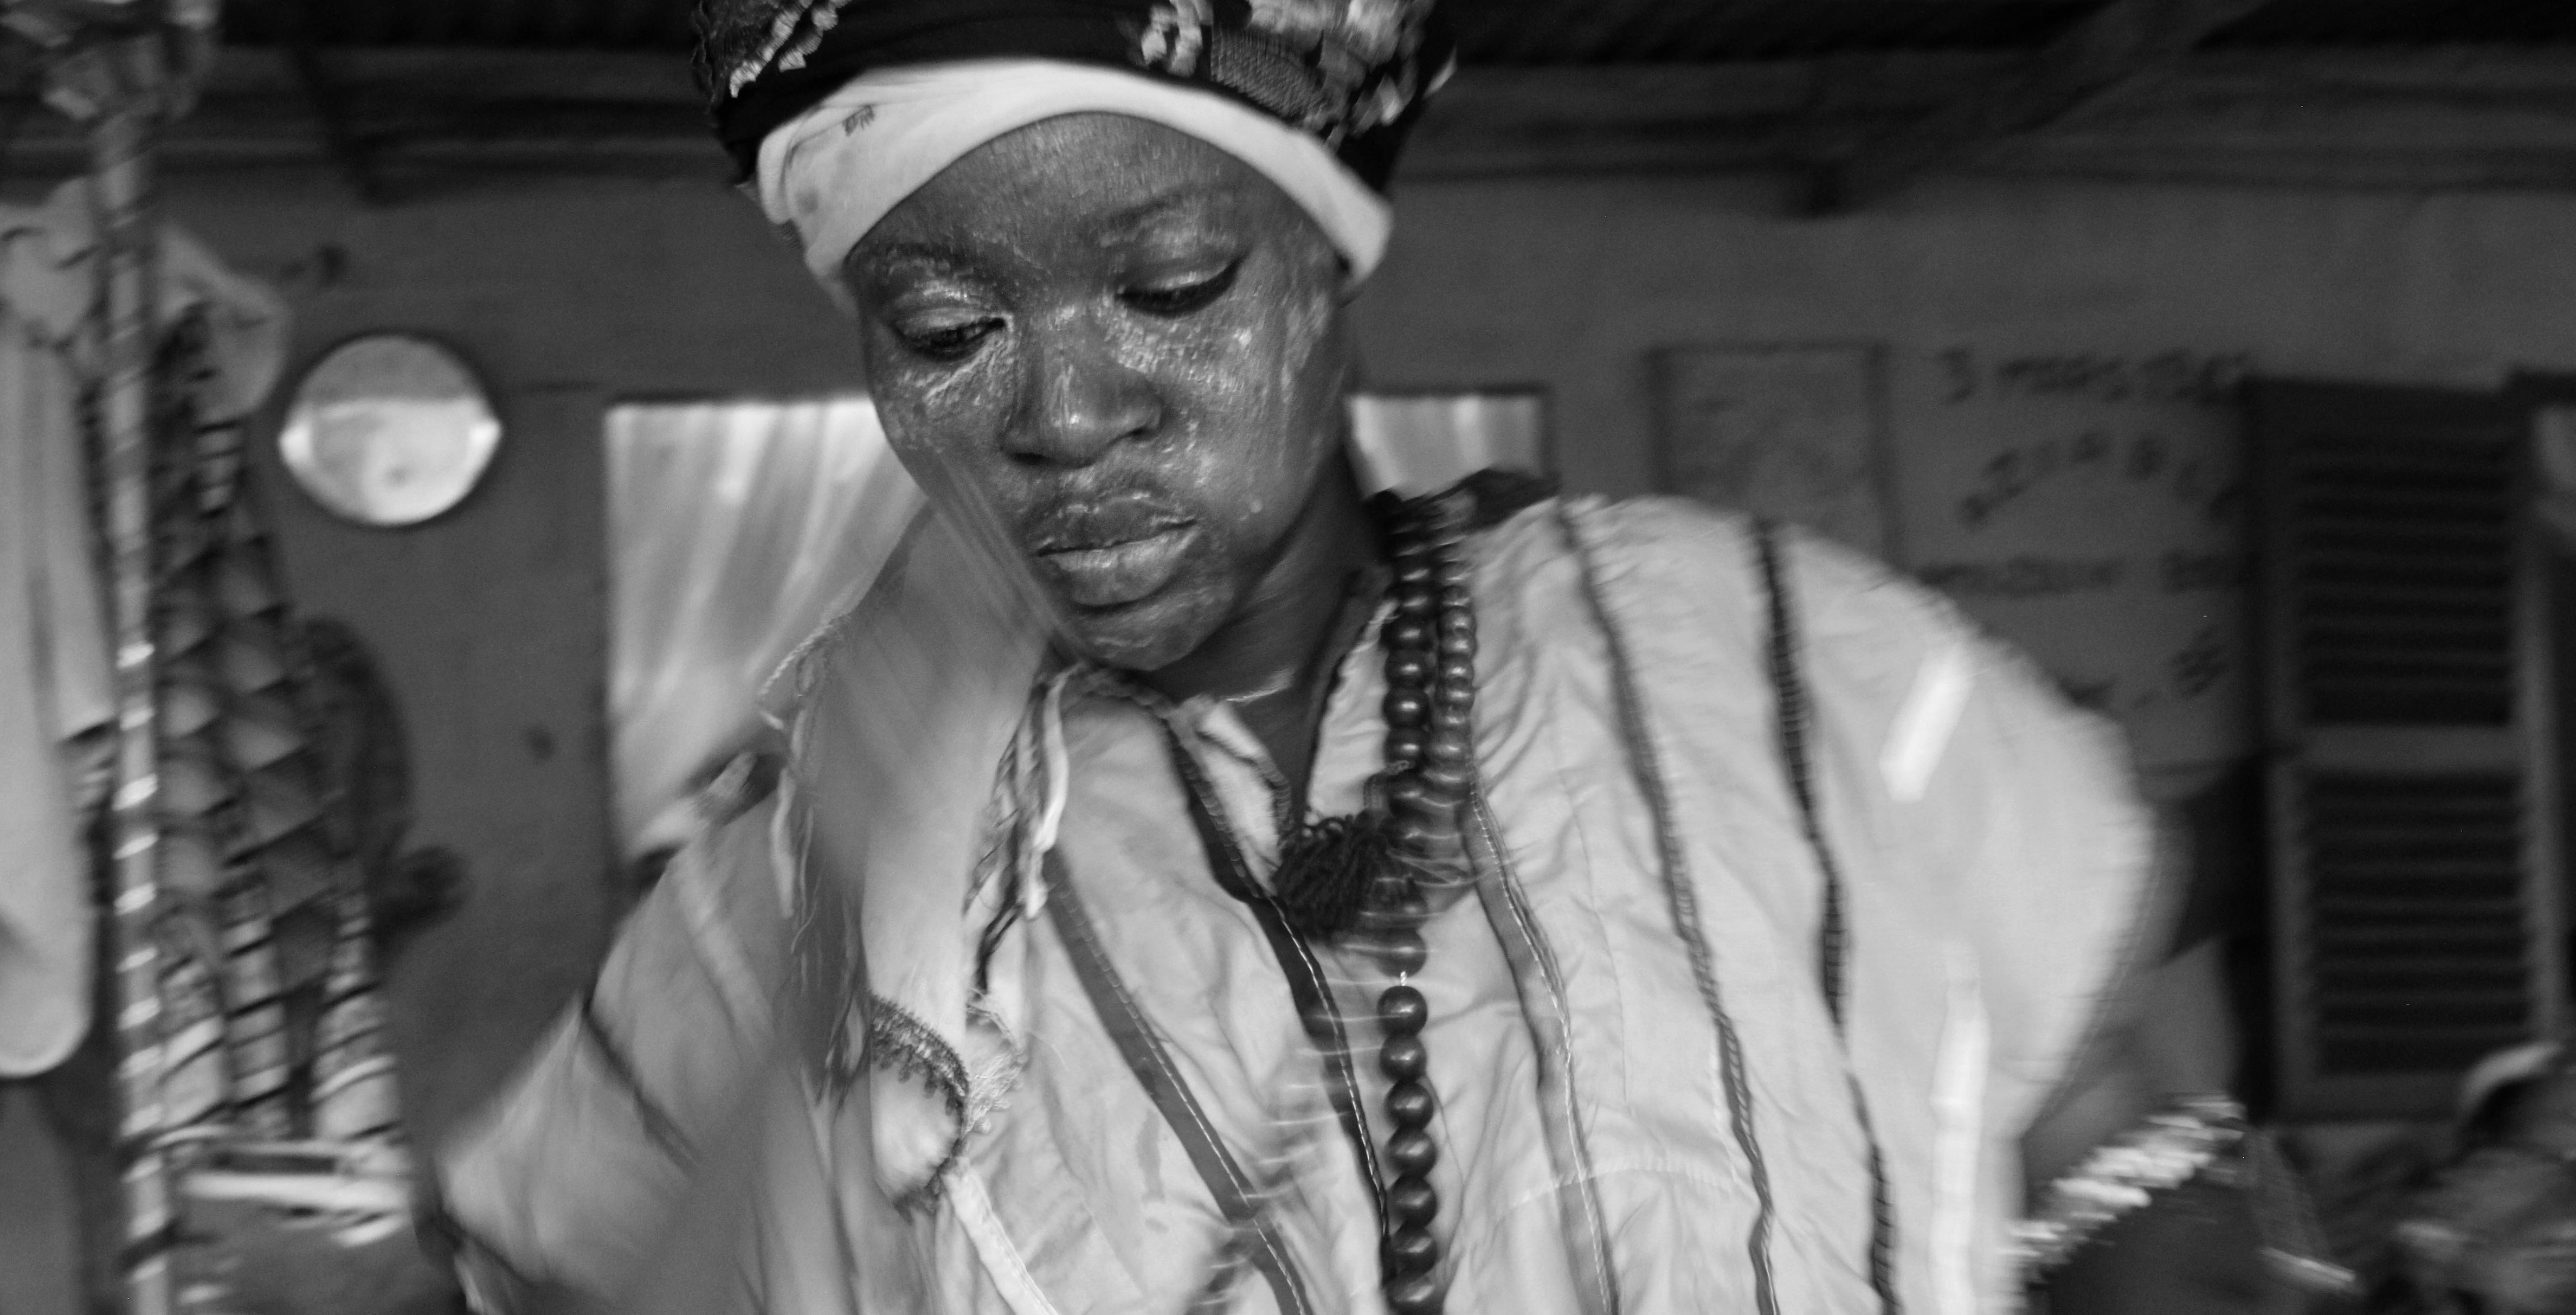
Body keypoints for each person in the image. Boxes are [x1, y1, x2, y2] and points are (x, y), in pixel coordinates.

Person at [429, 2, 2333, 1310]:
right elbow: (565, 1250)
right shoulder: (826, 859)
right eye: (943, 332)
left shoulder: (1760, 660)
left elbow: (2126, 1113)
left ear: (1326, 272)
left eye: (1171, 291)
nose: (1065, 412)